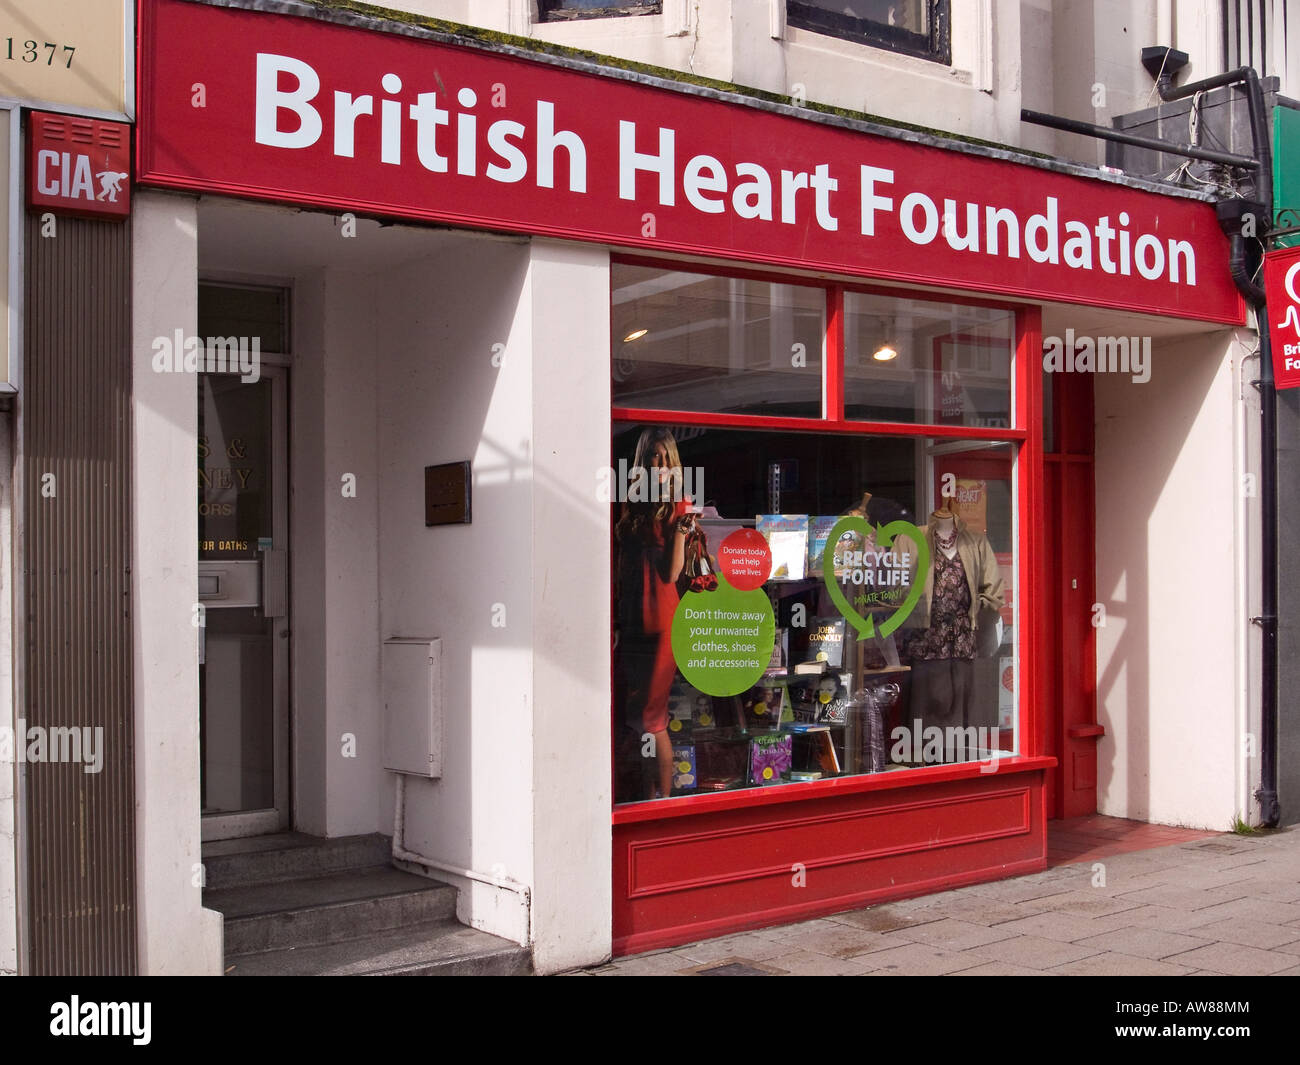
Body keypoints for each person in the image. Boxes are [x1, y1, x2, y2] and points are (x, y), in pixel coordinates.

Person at [615, 428, 695, 799]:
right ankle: (644, 794)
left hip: (662, 617)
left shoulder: (679, 503)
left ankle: (660, 800)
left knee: (652, 716)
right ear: (642, 460)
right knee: (633, 714)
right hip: (629, 615)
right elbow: (618, 561)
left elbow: (673, 573)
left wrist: (680, 532)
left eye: (665, 457)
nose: (659, 464)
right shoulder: (629, 499)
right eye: (653, 457)